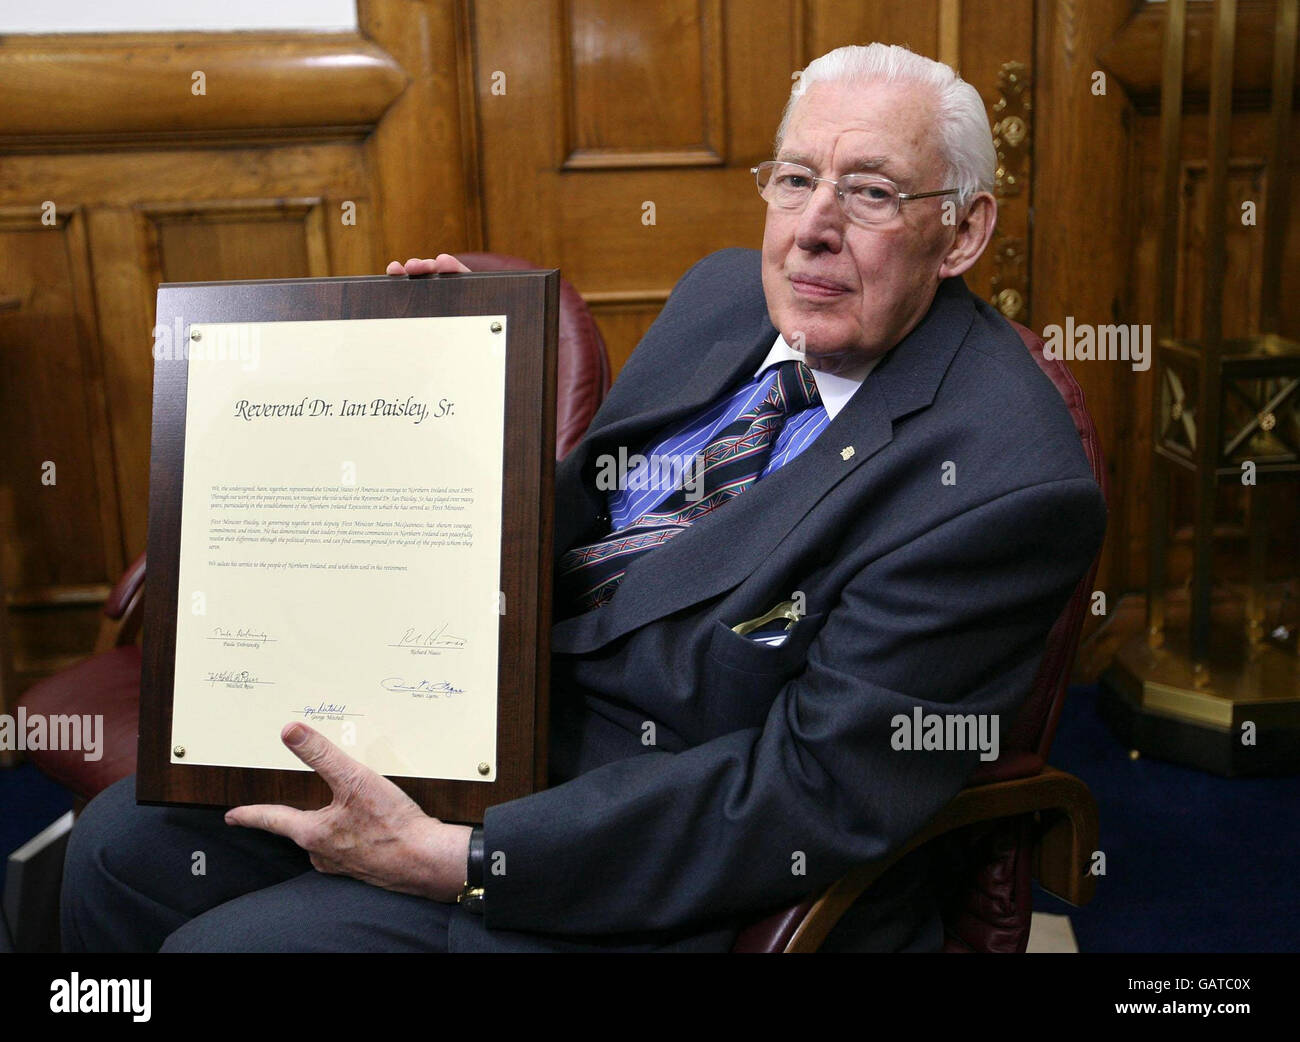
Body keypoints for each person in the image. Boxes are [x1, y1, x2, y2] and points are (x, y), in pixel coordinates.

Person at [61, 42, 1106, 953]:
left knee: (233, 945)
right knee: (117, 851)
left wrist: (462, 856)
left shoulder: (1006, 484)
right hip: (490, 730)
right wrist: (441, 384)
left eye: (871, 191)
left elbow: (804, 793)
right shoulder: (722, 295)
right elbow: (568, 523)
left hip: (643, 863)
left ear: (964, 231)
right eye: (793, 180)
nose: (811, 230)